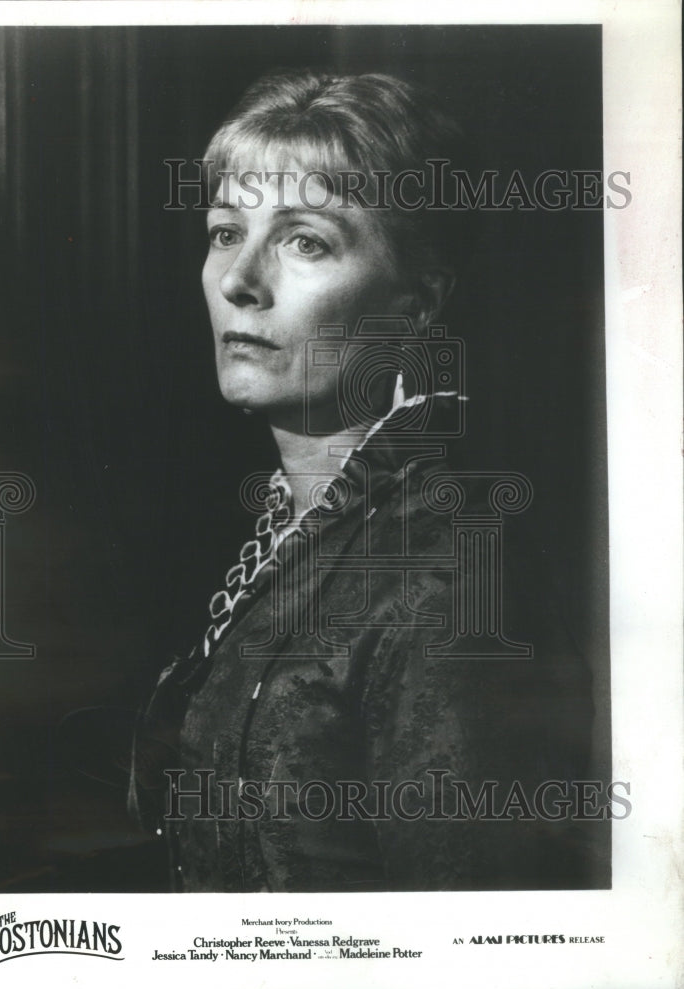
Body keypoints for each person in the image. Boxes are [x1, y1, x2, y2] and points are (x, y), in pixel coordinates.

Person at [128, 69, 595, 892]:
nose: (241, 280)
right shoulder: (300, 527)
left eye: (305, 241)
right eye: (226, 231)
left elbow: (480, 944)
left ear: (417, 304)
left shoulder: (448, 573)